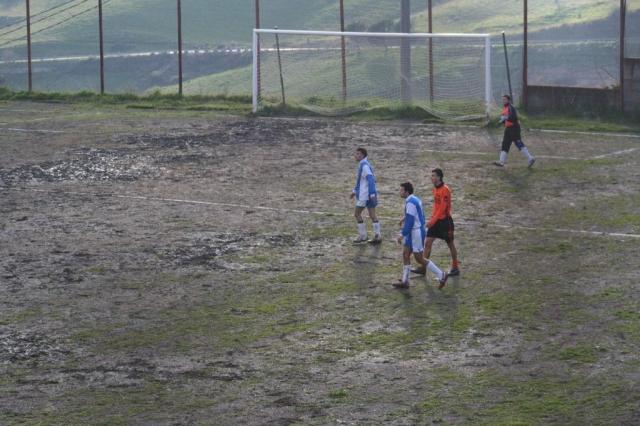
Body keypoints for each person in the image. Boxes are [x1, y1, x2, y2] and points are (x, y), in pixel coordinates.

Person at [393, 182, 448, 289]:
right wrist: (404, 218)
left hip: (416, 233)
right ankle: (405, 281)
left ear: (407, 192)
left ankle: (441, 275)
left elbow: (410, 222)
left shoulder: (410, 203)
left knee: (419, 259)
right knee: (406, 254)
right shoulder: (414, 199)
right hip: (415, 231)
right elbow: (416, 214)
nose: (400, 192)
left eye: (401, 190)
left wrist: (402, 234)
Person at [414, 168, 459, 279]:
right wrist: (432, 218)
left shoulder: (445, 190)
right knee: (427, 243)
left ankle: (455, 267)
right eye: (431, 176)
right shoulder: (435, 189)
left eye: (433, 175)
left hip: (445, 222)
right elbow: (436, 207)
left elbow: (442, 209)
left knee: (450, 244)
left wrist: (432, 221)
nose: (431, 178)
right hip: (435, 221)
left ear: (439, 177)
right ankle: (423, 268)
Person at [350, 147, 382, 244]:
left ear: (362, 155)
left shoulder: (364, 166)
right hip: (369, 194)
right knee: (372, 215)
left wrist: (371, 194)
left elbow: (370, 179)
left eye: (358, 154)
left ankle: (363, 236)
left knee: (357, 214)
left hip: (364, 196)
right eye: (356, 154)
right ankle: (378, 236)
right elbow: (361, 181)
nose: (356, 155)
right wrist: (354, 191)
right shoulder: (365, 164)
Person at [494, 94, 536, 168]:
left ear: (508, 100)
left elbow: (513, 117)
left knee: (518, 143)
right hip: (508, 129)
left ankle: (530, 158)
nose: (503, 101)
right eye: (503, 99)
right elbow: (506, 119)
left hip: (514, 128)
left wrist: (505, 118)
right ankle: (501, 162)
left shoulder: (511, 107)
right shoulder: (505, 108)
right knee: (505, 144)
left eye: (505, 99)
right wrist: (502, 121)